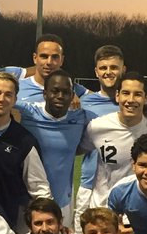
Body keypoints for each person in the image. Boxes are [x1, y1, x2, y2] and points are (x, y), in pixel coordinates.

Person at [76, 71, 147, 219]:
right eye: (125, 93)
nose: (130, 99)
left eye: (137, 94)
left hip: (142, 211)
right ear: (117, 96)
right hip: (105, 209)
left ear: (146, 98)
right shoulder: (97, 127)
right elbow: (76, 150)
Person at [0, 70, 53, 234]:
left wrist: (51, 218)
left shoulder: (25, 141)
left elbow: (39, 188)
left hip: (7, 226)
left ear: (15, 100)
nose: (1, 99)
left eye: (8, 95)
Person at [17, 70, 94, 222]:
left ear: (72, 96)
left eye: (66, 92)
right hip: (26, 202)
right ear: (44, 94)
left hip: (62, 203)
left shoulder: (80, 117)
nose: (60, 96)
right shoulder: (27, 112)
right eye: (55, 91)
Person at [10, 33, 86, 104]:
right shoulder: (16, 88)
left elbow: (96, 98)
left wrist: (80, 101)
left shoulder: (72, 88)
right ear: (35, 58)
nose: (49, 62)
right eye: (44, 56)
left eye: (55, 57)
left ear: (62, 60)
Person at [78, 45, 125, 116]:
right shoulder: (83, 103)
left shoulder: (131, 102)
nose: (108, 72)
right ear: (96, 72)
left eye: (113, 67)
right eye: (103, 68)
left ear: (123, 70)